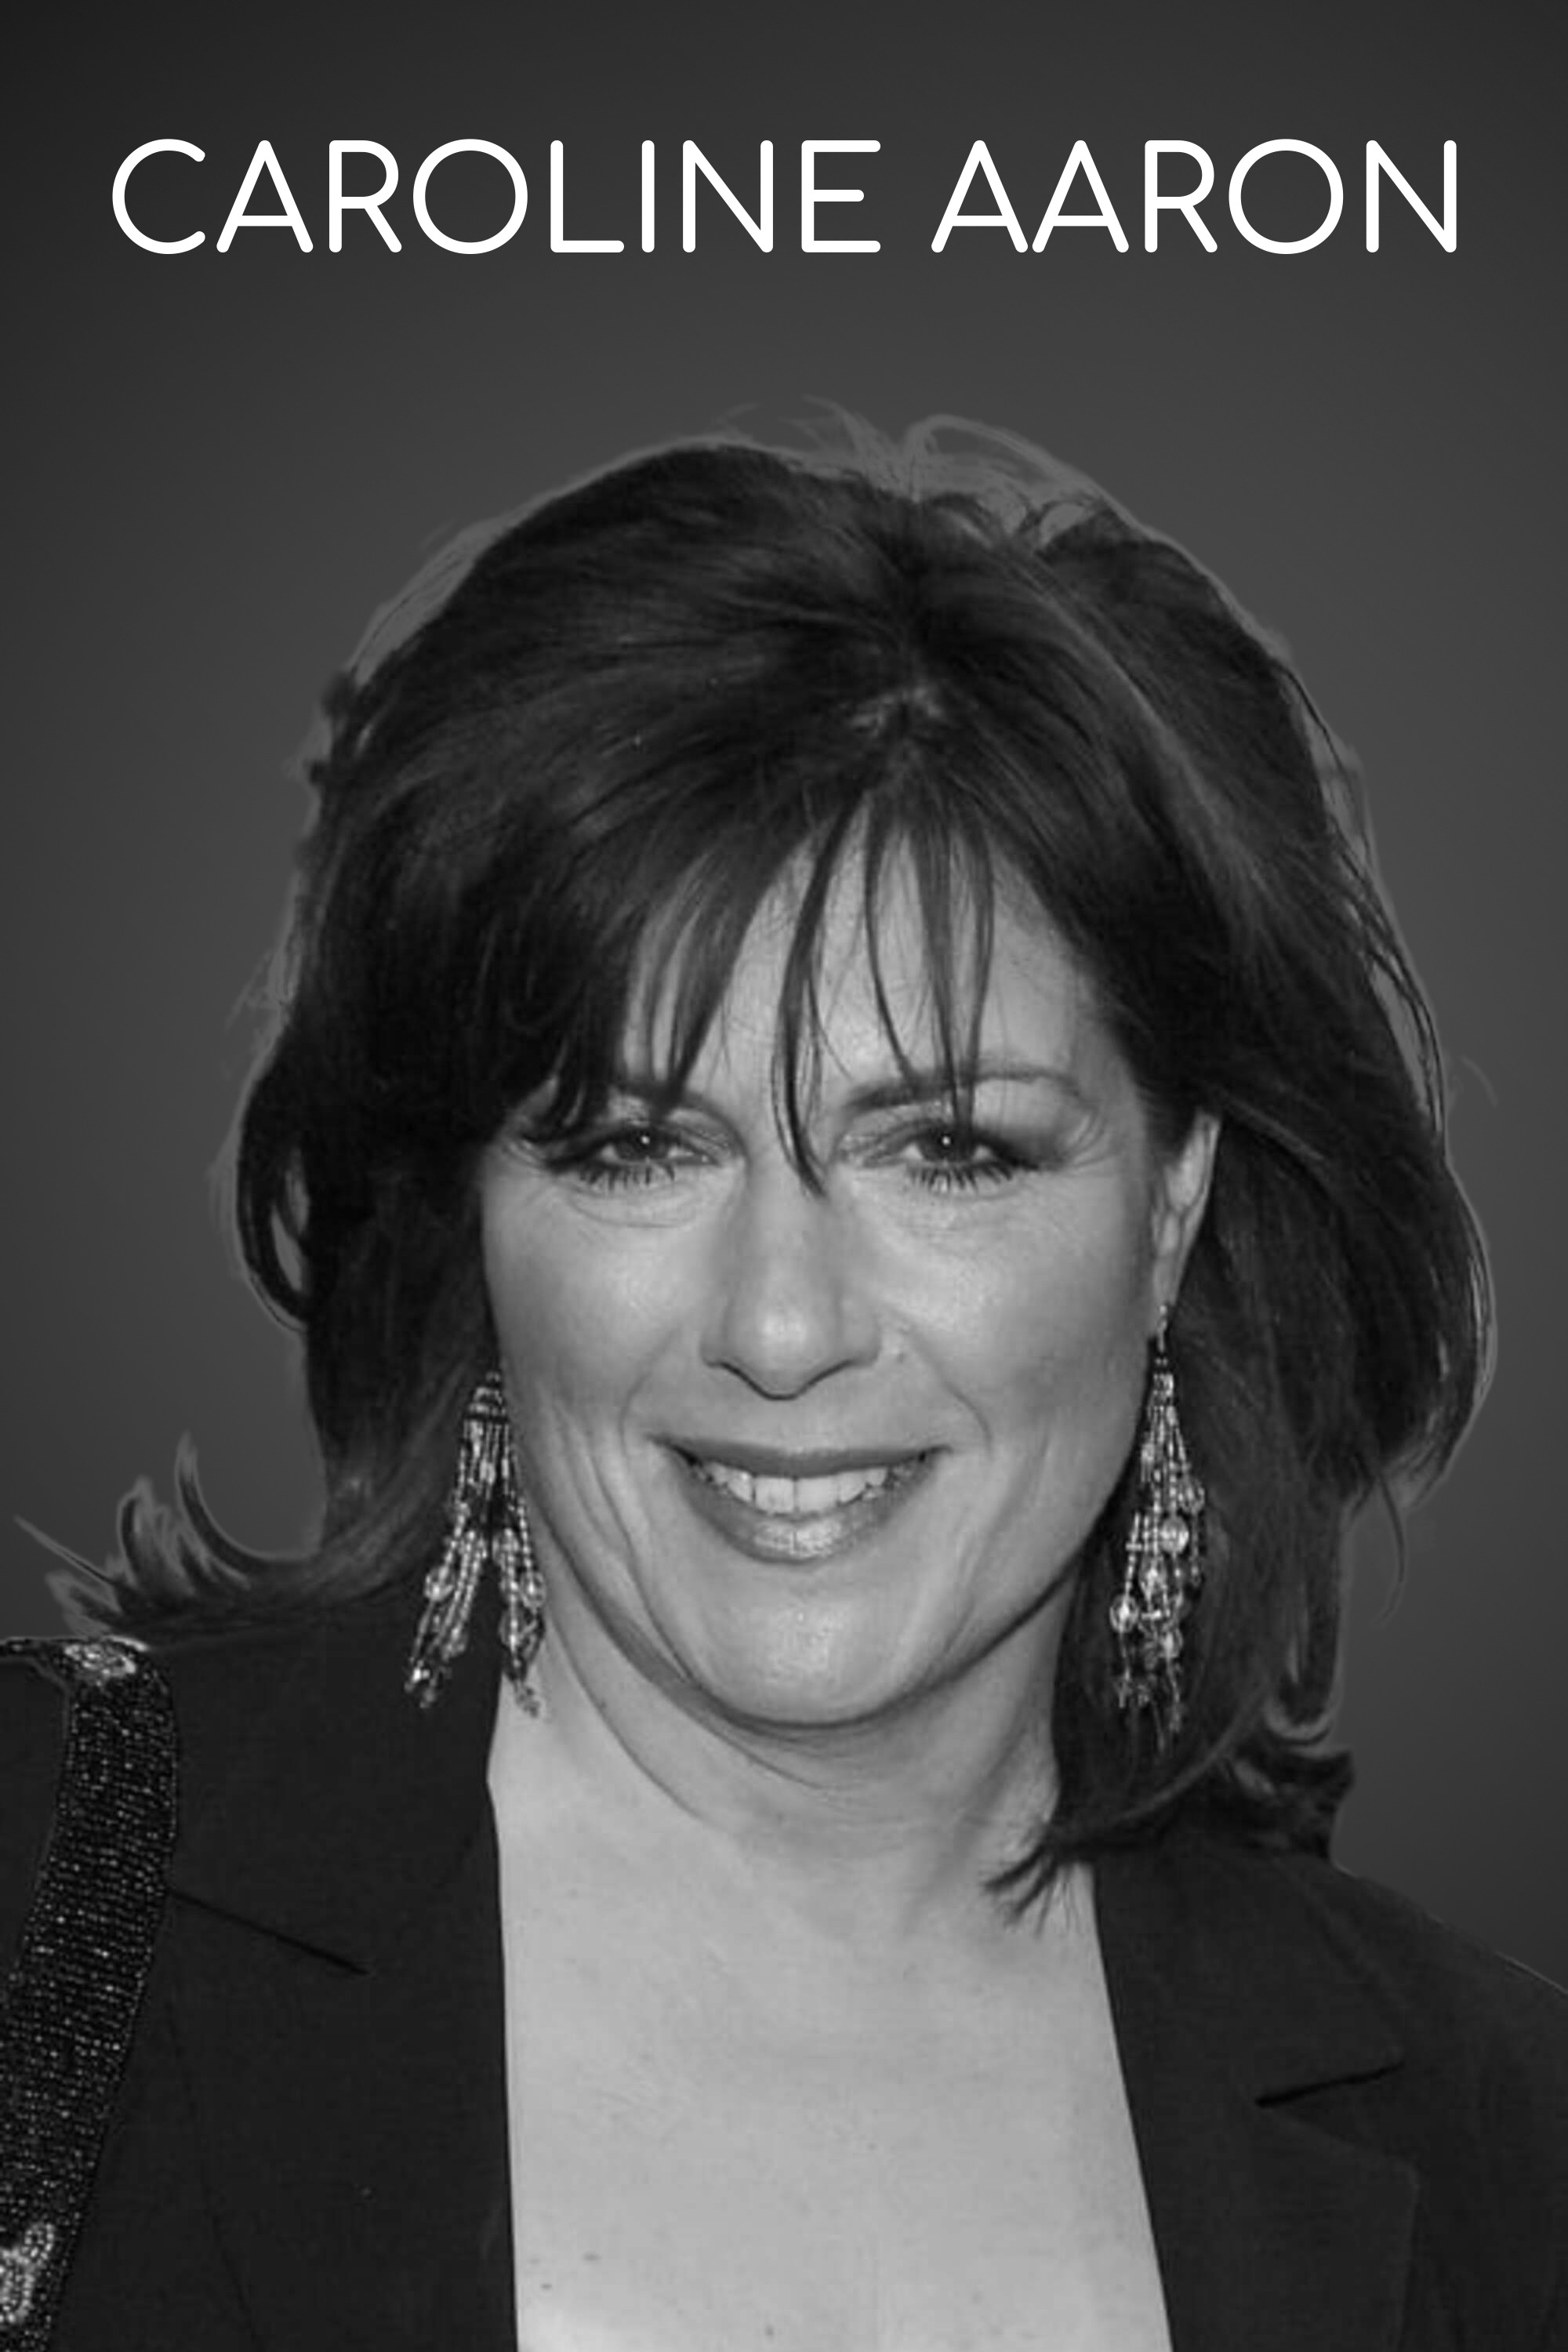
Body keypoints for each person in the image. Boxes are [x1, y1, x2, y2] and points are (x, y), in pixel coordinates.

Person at [2, 419, 1564, 2352]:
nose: (783, 1322)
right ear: (480, 1217)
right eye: (636, 1147)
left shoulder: (1499, 2151)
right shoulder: (47, 1893)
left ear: (1173, 1204)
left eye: (950, 1154)